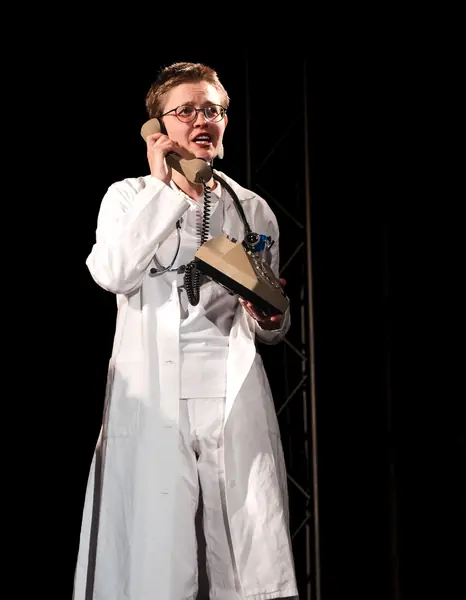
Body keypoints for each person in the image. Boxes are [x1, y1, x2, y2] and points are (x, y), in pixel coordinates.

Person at [73, 61, 299, 600]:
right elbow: (113, 272)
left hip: (228, 396)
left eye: (213, 110)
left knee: (241, 559)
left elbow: (271, 323)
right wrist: (165, 188)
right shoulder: (128, 197)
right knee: (157, 562)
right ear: (158, 126)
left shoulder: (252, 210)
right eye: (187, 111)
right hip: (155, 398)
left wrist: (273, 317)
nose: (203, 120)